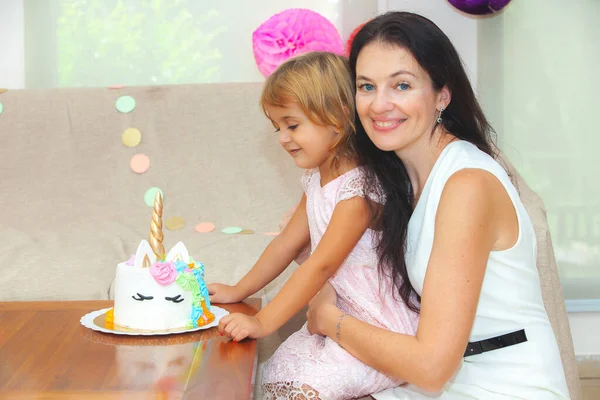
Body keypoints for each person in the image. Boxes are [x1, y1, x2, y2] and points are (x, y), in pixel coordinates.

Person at [305, 12, 570, 399]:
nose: (379, 105)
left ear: (442, 95)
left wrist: (331, 320)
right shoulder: (403, 179)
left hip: (503, 385)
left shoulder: (466, 184)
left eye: (401, 85)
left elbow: (431, 367)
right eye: (366, 86)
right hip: (451, 379)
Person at [207, 51, 418, 399]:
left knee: (309, 388)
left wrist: (262, 322)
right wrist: (238, 290)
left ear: (337, 119)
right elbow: (286, 244)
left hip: (377, 326)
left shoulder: (360, 190)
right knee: (276, 374)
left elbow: (321, 265)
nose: (282, 138)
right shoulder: (315, 180)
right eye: (278, 127)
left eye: (292, 125)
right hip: (339, 314)